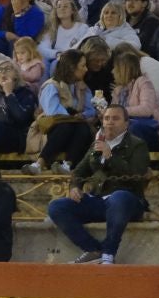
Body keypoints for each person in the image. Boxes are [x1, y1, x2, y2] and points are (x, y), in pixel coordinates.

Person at [47, 106, 151, 264]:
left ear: (126, 124)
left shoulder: (138, 145)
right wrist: (75, 187)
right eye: (107, 118)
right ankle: (93, 249)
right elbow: (79, 172)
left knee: (119, 197)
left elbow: (136, 175)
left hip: (128, 202)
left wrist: (110, 156)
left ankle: (109, 253)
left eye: (115, 119)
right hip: (100, 201)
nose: (110, 122)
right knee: (57, 207)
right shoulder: (97, 144)